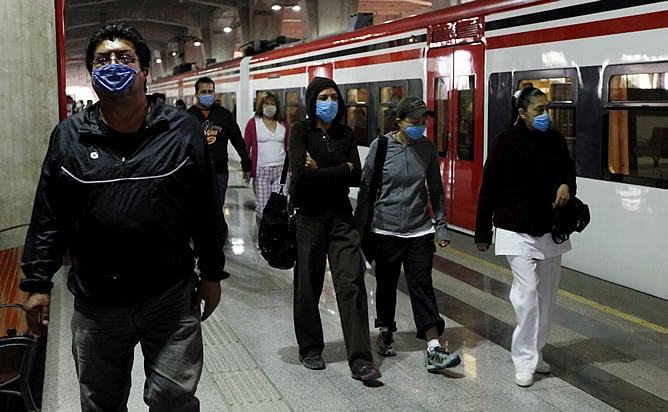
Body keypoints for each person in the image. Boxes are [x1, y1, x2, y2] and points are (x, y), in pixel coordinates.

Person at [19, 23, 230, 411]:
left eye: (124, 58)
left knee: (173, 399)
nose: (113, 65)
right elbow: (50, 215)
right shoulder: (69, 137)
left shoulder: (180, 130)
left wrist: (213, 273)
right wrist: (38, 283)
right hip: (97, 302)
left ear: (144, 72)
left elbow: (204, 208)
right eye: (102, 60)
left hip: (169, 295)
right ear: (92, 73)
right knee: (101, 402)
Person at [474, 86, 576, 387]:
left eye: (548, 108)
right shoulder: (505, 142)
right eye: (539, 110)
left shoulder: (555, 141)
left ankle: (535, 350)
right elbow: (489, 187)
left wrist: (565, 186)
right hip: (513, 227)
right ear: (522, 112)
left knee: (547, 297)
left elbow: (567, 172)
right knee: (528, 293)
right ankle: (523, 359)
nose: (546, 115)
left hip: (550, 228)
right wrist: (482, 230)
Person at [356, 96, 461, 373]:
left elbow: (436, 191)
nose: (419, 127)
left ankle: (433, 347)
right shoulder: (380, 148)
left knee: (422, 284)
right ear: (399, 122)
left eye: (422, 122)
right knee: (387, 284)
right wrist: (360, 231)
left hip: (419, 230)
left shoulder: (426, 149)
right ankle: (386, 329)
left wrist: (441, 226)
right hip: (385, 229)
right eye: (413, 122)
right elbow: (366, 189)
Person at [289, 77, 380, 382]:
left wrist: (324, 171)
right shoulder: (300, 131)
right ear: (312, 101)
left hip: (342, 217)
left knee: (351, 283)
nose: (330, 102)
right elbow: (300, 176)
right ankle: (310, 348)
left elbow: (356, 178)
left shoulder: (346, 133)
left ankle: (361, 359)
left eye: (334, 96)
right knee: (308, 285)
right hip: (309, 218)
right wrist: (341, 170)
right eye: (323, 97)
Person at [187, 77, 251, 205]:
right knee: (197, 208)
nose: (207, 95)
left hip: (219, 171)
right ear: (196, 94)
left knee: (217, 206)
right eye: (203, 92)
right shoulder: (188, 116)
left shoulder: (224, 115)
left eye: (210, 92)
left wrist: (246, 164)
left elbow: (237, 140)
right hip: (195, 173)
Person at [243, 91, 289, 225]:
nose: (269, 107)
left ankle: (277, 240)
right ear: (260, 106)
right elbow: (246, 147)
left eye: (272, 104)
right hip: (261, 172)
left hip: (282, 172)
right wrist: (246, 168)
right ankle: (262, 238)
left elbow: (288, 147)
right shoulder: (253, 124)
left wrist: (290, 169)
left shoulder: (283, 124)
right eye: (266, 103)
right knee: (262, 209)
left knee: (279, 207)